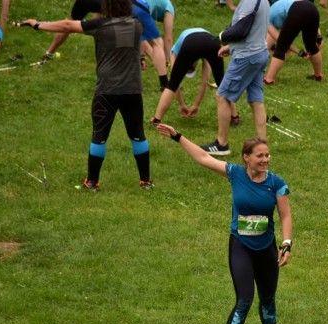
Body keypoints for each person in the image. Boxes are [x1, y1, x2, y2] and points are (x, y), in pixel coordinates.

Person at [156, 123, 299, 324]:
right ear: (246, 158)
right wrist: (178, 136)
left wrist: (286, 244)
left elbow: (285, 215)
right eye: (260, 155)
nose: (266, 159)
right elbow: (203, 158)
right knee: (244, 298)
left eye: (267, 155)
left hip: (266, 247)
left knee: (268, 296)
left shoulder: (276, 183)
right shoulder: (235, 173)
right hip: (241, 246)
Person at [19, 0, 153, 191]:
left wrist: (37, 24)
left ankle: (92, 182)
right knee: (137, 134)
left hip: (106, 90)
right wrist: (140, 58)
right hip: (132, 90)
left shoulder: (100, 26)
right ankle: (146, 182)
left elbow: (68, 25)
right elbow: (137, 45)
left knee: (99, 134)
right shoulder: (137, 24)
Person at [200, 0, 270, 156]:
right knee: (256, 100)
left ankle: (221, 144)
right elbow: (254, 30)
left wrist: (222, 37)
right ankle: (263, 147)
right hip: (260, 53)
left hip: (246, 57)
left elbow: (241, 30)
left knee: (223, 96)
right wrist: (232, 48)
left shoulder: (249, 2)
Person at [149, 28, 236, 124]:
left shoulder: (175, 51)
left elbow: (174, 83)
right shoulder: (179, 51)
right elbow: (204, 81)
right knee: (221, 84)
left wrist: (185, 105)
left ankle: (157, 119)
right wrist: (193, 105)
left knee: (172, 84)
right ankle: (234, 117)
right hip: (211, 42)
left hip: (192, 43)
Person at [263, 0, 324, 84]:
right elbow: (305, 8)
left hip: (298, 10)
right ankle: (318, 76)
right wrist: (318, 36)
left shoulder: (265, 19)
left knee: (280, 48)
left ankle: (268, 80)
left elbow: (281, 40)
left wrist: (298, 52)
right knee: (311, 45)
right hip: (312, 8)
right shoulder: (274, 10)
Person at [132, 0, 174, 91]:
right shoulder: (169, 7)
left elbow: (141, 36)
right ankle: (164, 83)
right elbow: (168, 39)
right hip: (138, 7)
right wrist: (167, 62)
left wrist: (141, 57)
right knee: (158, 43)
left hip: (126, 5)